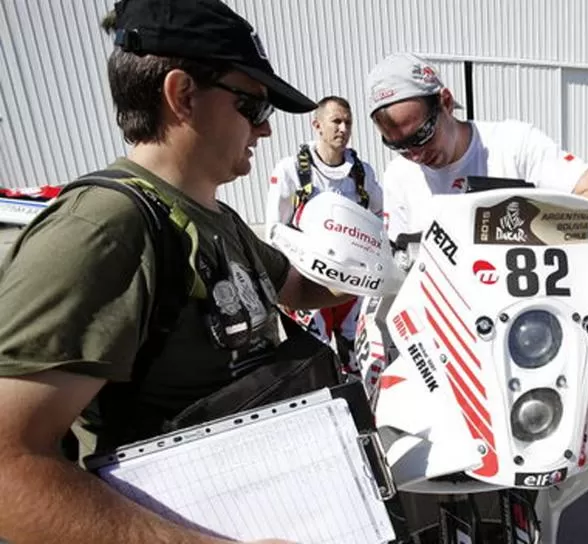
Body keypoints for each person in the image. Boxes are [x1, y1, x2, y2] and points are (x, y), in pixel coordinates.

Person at [0, 1, 350, 542]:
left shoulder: (216, 216)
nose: (265, 132)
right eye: (254, 107)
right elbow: (9, 468)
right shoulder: (105, 227)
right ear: (182, 95)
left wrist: (389, 272)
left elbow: (297, 288)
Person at [365, 52, 588, 246]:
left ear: (445, 102)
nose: (416, 155)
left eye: (422, 135)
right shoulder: (398, 175)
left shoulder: (514, 143)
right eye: (398, 145)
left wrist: (522, 227)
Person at [264, 96, 382, 359]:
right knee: (314, 363)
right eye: (336, 121)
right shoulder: (291, 170)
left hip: (351, 285)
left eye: (348, 122)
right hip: (306, 283)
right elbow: (274, 230)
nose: (343, 128)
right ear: (316, 125)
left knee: (357, 361)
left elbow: (378, 217)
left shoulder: (362, 173)